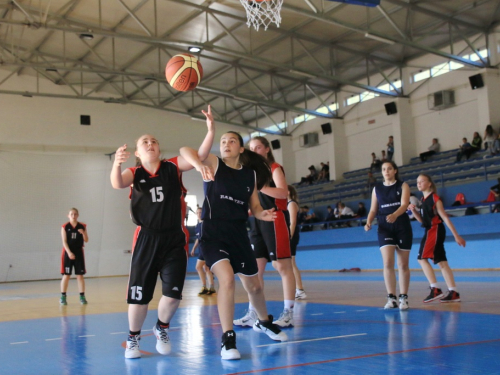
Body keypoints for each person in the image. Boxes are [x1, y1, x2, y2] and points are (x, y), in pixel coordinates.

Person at [110, 106, 215, 359]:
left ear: (159, 149)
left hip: (174, 239)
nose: (150, 143)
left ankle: (162, 327)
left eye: (154, 141)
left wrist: (210, 130)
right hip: (146, 238)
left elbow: (198, 155)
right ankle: (133, 337)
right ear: (138, 152)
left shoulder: (172, 168)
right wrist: (116, 163)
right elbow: (116, 183)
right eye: (145, 142)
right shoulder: (134, 173)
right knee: (139, 297)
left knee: (172, 296)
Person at [180, 131, 288, 361]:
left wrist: (263, 215)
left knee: (255, 287)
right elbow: (184, 151)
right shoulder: (213, 163)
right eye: (223, 141)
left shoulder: (250, 176)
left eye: (232, 141)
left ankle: (264, 322)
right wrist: (199, 166)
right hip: (213, 232)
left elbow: (255, 207)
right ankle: (228, 338)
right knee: (227, 279)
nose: (226, 144)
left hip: (238, 234)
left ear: (241, 149)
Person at [235, 136, 296, 329]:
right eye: (251, 148)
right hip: (257, 221)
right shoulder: (250, 173)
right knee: (254, 270)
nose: (255, 150)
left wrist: (262, 187)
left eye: (258, 147)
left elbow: (283, 193)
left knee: (282, 266)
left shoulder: (274, 168)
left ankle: (288, 313)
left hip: (275, 218)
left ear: (267, 149)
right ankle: (254, 312)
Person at [409, 174, 466, 303]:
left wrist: (456, 235)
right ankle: (454, 292)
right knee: (441, 262)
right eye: (417, 182)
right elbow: (423, 221)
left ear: (429, 183)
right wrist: (414, 211)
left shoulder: (435, 198)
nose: (419, 184)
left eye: (422, 181)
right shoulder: (423, 200)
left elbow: (444, 217)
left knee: (421, 258)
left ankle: (435, 289)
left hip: (435, 230)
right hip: (430, 229)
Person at [364, 161, 413, 310]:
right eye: (384, 169)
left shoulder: (403, 185)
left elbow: (404, 205)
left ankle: (403, 297)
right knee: (387, 263)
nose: (386, 171)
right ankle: (391, 297)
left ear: (395, 171)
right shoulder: (377, 189)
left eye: (389, 169)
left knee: (403, 264)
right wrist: (368, 222)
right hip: (385, 226)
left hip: (401, 225)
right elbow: (373, 209)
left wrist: (395, 215)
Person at [60, 208, 89, 306]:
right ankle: (63, 297)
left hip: (79, 252)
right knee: (66, 275)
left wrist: (83, 233)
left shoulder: (82, 226)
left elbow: (86, 240)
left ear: (78, 215)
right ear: (68, 215)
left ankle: (82, 296)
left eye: (75, 214)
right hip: (68, 253)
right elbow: (64, 241)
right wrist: (69, 253)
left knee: (80, 276)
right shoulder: (65, 227)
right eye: (71, 214)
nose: (73, 216)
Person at [190, 207, 215, 296]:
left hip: (206, 249)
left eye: (200, 212)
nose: (199, 214)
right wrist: (193, 248)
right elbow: (198, 238)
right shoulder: (197, 226)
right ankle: (211, 288)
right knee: (206, 269)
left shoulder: (206, 223)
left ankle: (205, 286)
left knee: (198, 267)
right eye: (197, 213)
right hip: (201, 249)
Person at [287, 185, 307, 300]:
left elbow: (293, 223)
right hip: (290, 235)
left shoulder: (292, 204)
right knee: (290, 263)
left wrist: (289, 236)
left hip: (292, 236)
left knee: (292, 263)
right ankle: (297, 289)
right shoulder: (287, 204)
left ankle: (300, 290)